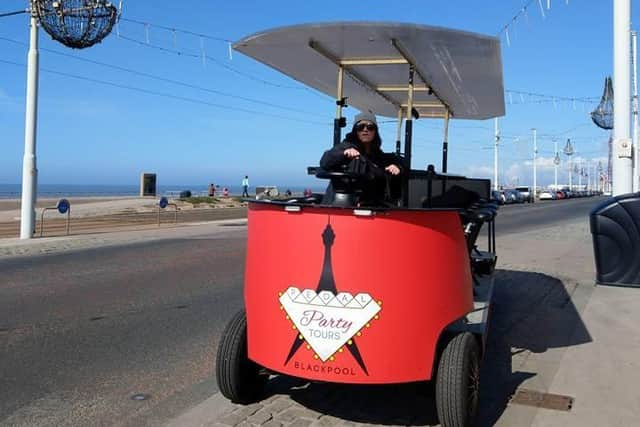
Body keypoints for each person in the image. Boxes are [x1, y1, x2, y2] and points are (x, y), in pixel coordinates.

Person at [319, 112, 402, 205]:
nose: (365, 130)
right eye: (361, 127)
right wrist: (343, 154)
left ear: (375, 132)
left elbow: (395, 165)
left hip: (370, 204)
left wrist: (395, 167)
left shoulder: (378, 155)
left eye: (370, 127)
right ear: (355, 131)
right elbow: (325, 162)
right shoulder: (345, 146)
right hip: (344, 204)